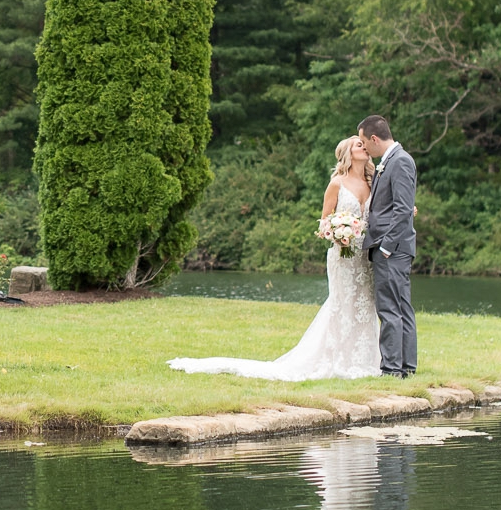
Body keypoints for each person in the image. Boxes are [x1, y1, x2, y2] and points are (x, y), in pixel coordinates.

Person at [166, 135, 381, 380]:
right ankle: (339, 359)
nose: (364, 147)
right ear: (347, 153)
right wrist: (339, 232)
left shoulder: (373, 182)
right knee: (342, 304)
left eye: (365, 145)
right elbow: (324, 222)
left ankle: (366, 359)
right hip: (342, 256)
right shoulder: (337, 184)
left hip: (366, 256)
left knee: (366, 303)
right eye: (358, 144)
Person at [356, 115, 416, 377]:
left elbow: (403, 210)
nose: (363, 148)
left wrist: (386, 247)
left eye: (362, 142)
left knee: (391, 309)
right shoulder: (389, 162)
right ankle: (405, 368)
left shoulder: (400, 161)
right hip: (394, 247)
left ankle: (392, 369)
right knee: (400, 307)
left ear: (374, 139)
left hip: (393, 249)